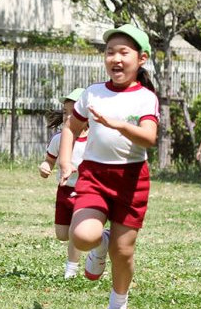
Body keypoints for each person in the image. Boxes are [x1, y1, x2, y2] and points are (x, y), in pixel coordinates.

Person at [58, 24, 159, 309]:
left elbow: (149, 137)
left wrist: (120, 125)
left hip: (132, 179)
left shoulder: (145, 97)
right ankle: (99, 243)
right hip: (94, 175)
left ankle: (118, 302)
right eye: (109, 52)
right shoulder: (92, 92)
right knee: (82, 235)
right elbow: (71, 128)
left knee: (123, 251)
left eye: (123, 52)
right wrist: (66, 161)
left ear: (141, 59)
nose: (115, 58)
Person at [38, 87, 87, 279]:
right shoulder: (58, 139)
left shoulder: (94, 140)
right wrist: (45, 167)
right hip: (64, 191)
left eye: (73, 112)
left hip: (85, 193)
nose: (68, 117)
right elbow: (49, 161)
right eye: (65, 112)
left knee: (76, 232)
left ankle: (71, 269)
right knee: (62, 234)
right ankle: (99, 239)